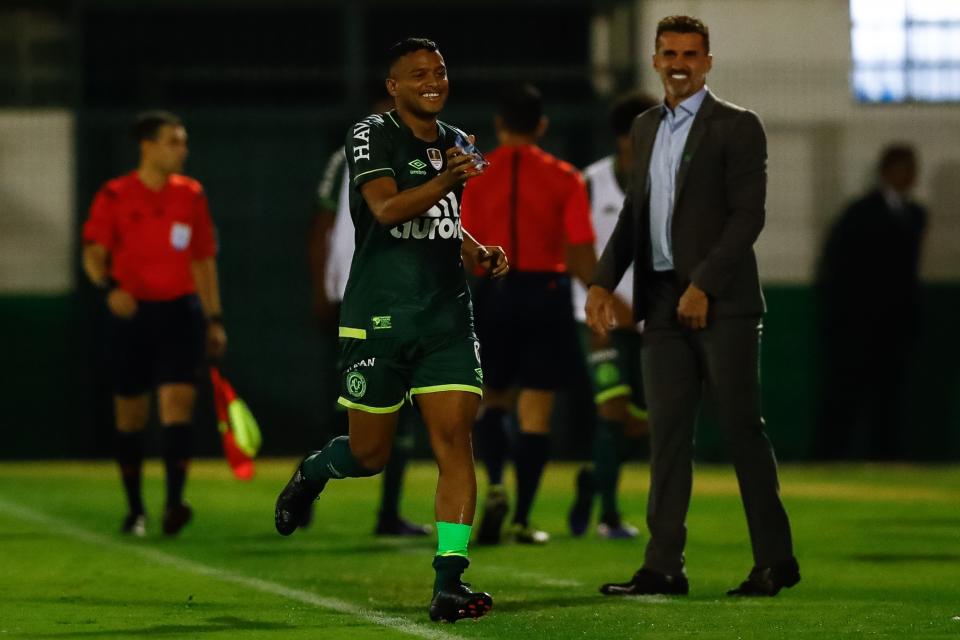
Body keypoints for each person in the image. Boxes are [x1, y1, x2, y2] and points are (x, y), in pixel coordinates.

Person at [275, 37, 508, 623]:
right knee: (369, 454)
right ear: (394, 86)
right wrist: (447, 182)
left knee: (454, 443)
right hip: (379, 318)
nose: (433, 81)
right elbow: (385, 209)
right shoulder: (370, 134)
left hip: (447, 319)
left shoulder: (454, 141)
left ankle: (449, 580)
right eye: (419, 74)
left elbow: (439, 218)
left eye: (440, 71)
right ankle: (313, 470)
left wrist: (477, 250)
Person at [586, 15, 800, 597]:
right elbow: (635, 215)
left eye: (690, 53)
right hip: (660, 305)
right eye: (668, 53)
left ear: (707, 62)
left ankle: (775, 561)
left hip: (722, 304)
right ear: (655, 61)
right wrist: (604, 283)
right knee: (668, 436)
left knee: (740, 431)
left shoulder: (738, 126)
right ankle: (662, 567)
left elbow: (747, 215)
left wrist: (704, 283)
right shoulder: (646, 126)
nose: (679, 62)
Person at [460, 83, 596, 545]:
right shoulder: (565, 178)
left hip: (494, 289)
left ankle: (494, 484)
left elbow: (462, 248)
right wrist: (600, 294)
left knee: (491, 399)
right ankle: (522, 517)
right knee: (536, 410)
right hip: (547, 291)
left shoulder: (475, 175)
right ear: (541, 125)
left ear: (499, 124)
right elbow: (579, 252)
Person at [81, 111, 227, 537]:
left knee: (177, 406)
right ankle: (134, 509)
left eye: (183, 142)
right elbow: (93, 252)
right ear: (146, 145)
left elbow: (203, 258)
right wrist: (109, 286)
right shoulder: (114, 194)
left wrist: (214, 317)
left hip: (180, 312)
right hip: (131, 316)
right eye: (173, 142)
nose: (182, 150)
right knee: (130, 415)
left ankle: (174, 503)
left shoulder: (191, 194)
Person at [309, 97, 431, 537]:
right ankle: (310, 484)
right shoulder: (346, 156)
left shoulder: (425, 154)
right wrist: (324, 285)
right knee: (342, 403)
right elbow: (323, 223)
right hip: (357, 295)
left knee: (404, 405)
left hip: (406, 298)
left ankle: (389, 512)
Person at [568, 92, 658, 540]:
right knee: (612, 410)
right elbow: (575, 252)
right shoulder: (589, 184)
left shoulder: (667, 182)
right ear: (625, 137)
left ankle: (592, 480)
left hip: (650, 321)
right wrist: (608, 302)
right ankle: (608, 514)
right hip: (598, 320)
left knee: (640, 422)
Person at [813, 144, 927, 460]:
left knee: (891, 398)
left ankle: (886, 458)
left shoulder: (916, 215)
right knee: (845, 397)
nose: (912, 176)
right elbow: (838, 268)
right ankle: (829, 458)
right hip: (857, 327)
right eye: (906, 168)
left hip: (895, 328)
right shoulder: (861, 213)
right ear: (888, 171)